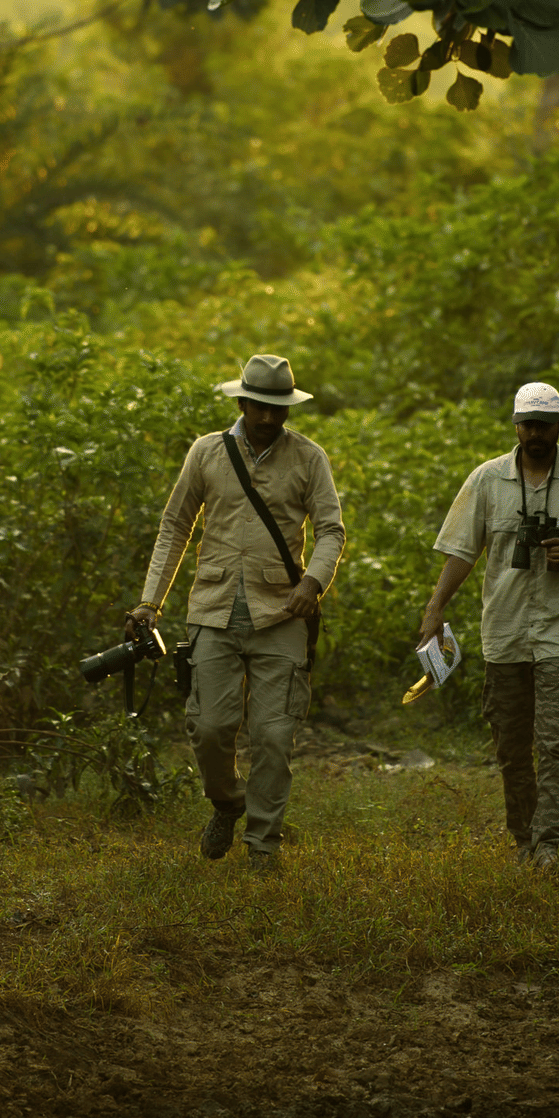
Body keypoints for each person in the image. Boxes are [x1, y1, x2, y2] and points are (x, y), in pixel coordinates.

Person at [126, 353, 344, 873]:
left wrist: (313, 582)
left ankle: (263, 845)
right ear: (241, 401)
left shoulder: (310, 458)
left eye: (278, 409)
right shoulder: (206, 453)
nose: (268, 418)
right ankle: (227, 803)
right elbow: (175, 526)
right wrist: (149, 602)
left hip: (282, 614)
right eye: (259, 407)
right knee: (208, 726)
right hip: (213, 609)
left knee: (273, 735)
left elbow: (332, 530)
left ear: (288, 408)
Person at [417, 381, 559, 868]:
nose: (535, 434)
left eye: (544, 425)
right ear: (515, 425)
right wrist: (434, 608)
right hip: (505, 632)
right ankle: (524, 839)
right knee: (511, 745)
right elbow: (461, 552)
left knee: (555, 741)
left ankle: (551, 843)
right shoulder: (488, 480)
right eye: (528, 424)